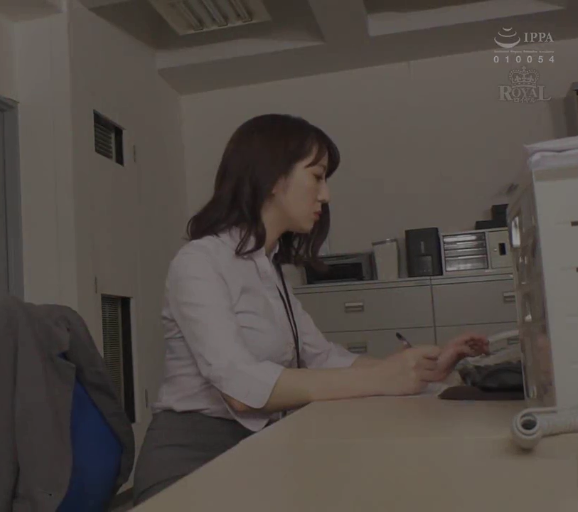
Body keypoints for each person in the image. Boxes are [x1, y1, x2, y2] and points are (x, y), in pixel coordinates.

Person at [131, 114, 489, 505]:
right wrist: (384, 378)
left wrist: (426, 368)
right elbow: (240, 389)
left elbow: (322, 357)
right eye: (317, 176)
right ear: (272, 176)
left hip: (260, 450)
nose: (326, 195)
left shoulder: (270, 271)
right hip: (191, 462)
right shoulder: (199, 261)